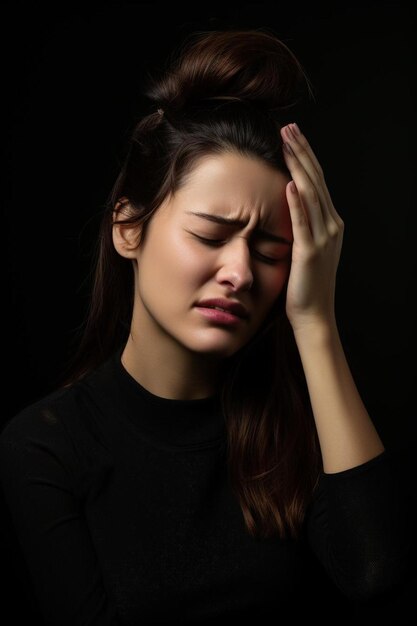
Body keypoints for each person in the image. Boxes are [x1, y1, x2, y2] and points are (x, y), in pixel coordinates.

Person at [0, 27, 411, 625]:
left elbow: (376, 575)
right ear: (128, 229)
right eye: (210, 236)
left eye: (271, 252)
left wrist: (315, 317)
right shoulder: (45, 448)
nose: (240, 272)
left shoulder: (297, 427)